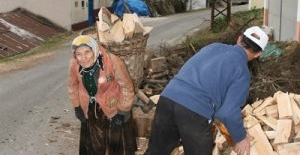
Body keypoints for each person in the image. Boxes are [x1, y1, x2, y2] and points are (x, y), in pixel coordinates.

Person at [144, 26, 269, 155]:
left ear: (239, 39)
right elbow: (227, 112)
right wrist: (241, 138)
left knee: (155, 152)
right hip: (194, 111)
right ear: (258, 54)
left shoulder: (214, 47)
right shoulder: (242, 73)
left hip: (168, 98)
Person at [68, 35, 137, 155]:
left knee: (117, 145)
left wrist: (121, 112)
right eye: (79, 54)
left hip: (114, 107)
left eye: (87, 52)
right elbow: (72, 86)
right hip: (92, 109)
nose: (83, 58)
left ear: (94, 49)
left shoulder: (112, 61)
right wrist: (77, 106)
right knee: (95, 145)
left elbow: (127, 87)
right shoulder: (74, 64)